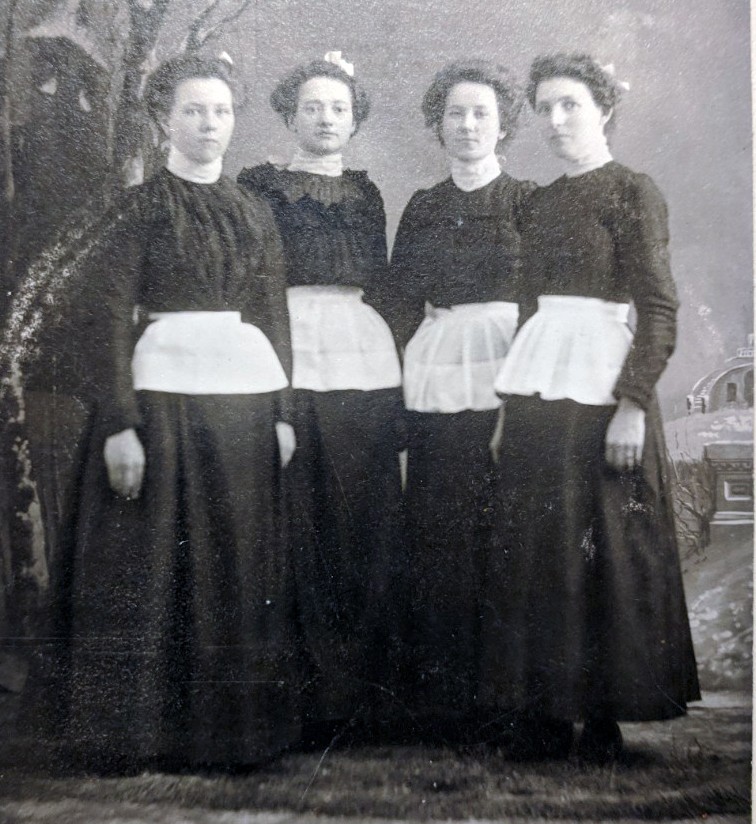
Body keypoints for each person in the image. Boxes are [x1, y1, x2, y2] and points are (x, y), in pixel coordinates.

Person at [25, 54, 301, 773]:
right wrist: (119, 424)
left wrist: (283, 412)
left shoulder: (254, 210)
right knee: (145, 564)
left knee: (232, 560)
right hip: (160, 408)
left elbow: (271, 314)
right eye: (192, 111)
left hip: (242, 409)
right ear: (163, 120)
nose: (209, 125)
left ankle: (225, 734)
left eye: (221, 112)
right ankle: (134, 734)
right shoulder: (139, 207)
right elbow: (109, 317)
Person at [480, 53, 700, 763]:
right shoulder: (537, 202)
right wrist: (509, 407)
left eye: (569, 104)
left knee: (605, 548)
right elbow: (526, 312)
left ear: (604, 108)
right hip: (540, 387)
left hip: (605, 388)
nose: (554, 120)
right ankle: (547, 712)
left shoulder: (634, 191)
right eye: (544, 107)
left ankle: (604, 711)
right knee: (540, 550)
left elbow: (660, 308)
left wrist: (632, 404)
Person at [238, 52, 406, 744]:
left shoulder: (368, 193)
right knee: (293, 524)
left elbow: (388, 286)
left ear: (355, 119)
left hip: (361, 357)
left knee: (361, 523)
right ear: (288, 116)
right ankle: (297, 701)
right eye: (312, 107)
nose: (326, 118)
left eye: (339, 108)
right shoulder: (260, 186)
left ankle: (364, 702)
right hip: (287, 350)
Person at [387, 61, 532, 743]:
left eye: (480, 113)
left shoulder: (529, 201)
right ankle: (443, 701)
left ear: (504, 122)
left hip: (512, 367)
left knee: (506, 529)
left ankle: (512, 696)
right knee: (439, 529)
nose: (468, 126)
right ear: (437, 125)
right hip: (439, 371)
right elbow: (396, 302)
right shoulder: (422, 205)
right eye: (454, 114)